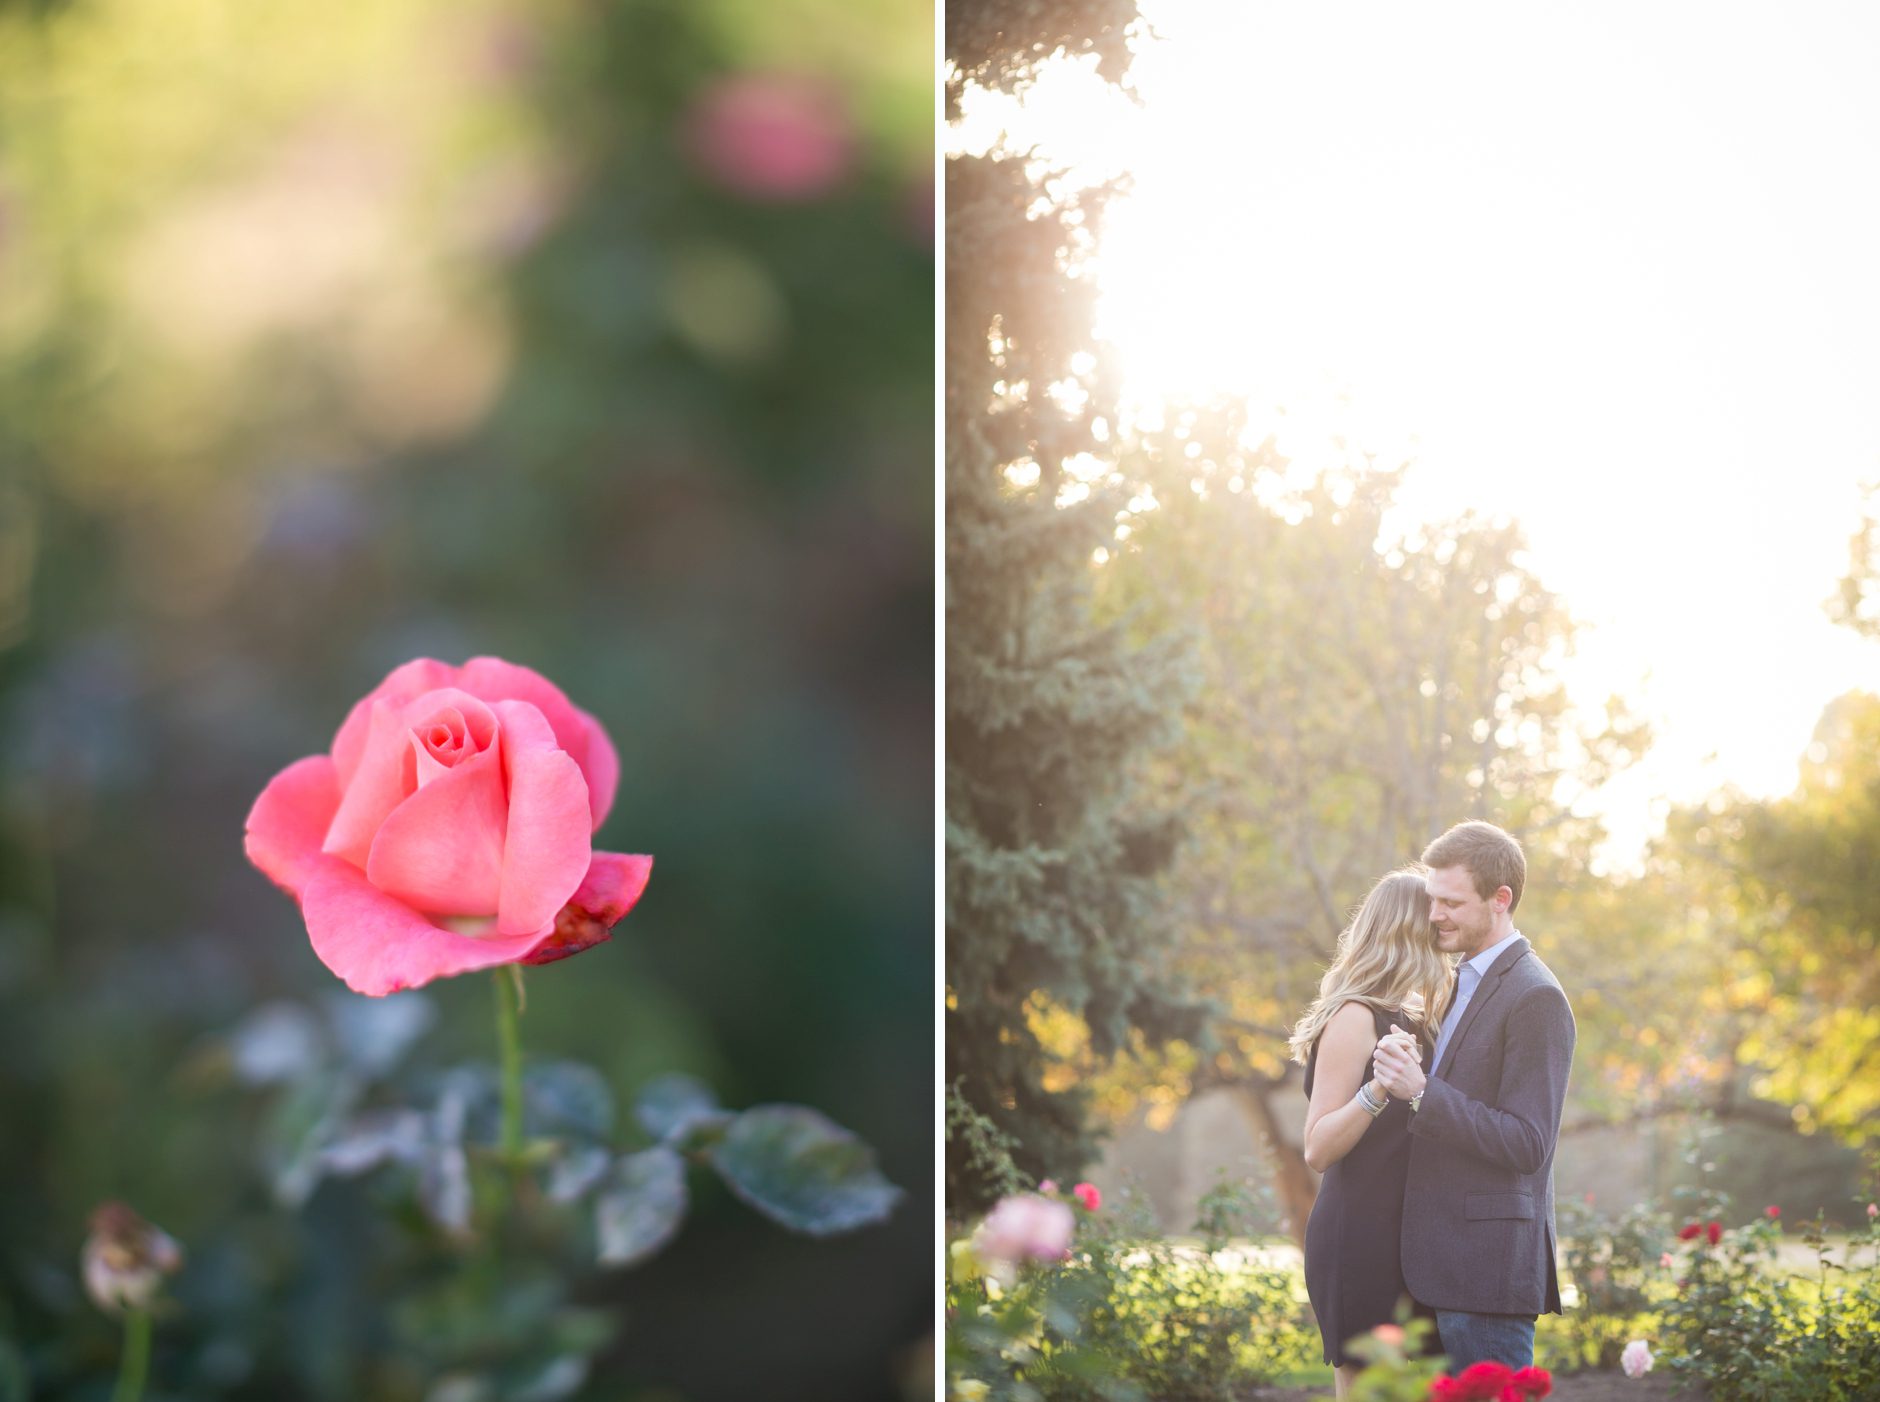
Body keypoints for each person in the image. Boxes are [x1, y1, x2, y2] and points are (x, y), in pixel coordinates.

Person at [1370, 821, 1576, 1374]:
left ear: (1500, 899)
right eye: (1433, 898)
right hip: (1435, 1267)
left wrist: (1422, 1092)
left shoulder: (1536, 996)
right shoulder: (1460, 978)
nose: (1434, 914)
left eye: (1451, 902)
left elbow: (1529, 1142)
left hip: (1485, 1276)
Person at [1289, 867, 1451, 1399]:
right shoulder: (1356, 1018)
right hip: (1359, 1238)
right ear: (1409, 932)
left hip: (1412, 1242)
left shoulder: (1413, 1018)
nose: (1444, 932)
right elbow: (1316, 1147)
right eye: (1435, 921)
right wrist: (1378, 1090)